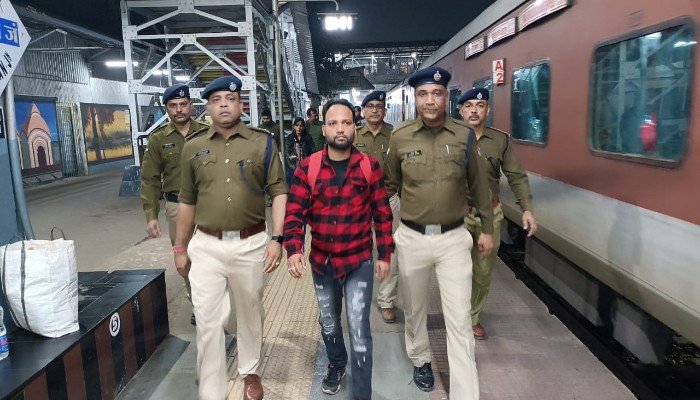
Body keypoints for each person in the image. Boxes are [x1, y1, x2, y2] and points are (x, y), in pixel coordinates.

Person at [173, 76, 287, 400]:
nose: (224, 104)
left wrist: (277, 239)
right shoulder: (193, 147)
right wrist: (180, 247)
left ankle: (250, 371)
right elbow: (186, 201)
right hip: (206, 245)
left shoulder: (263, 143)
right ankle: (212, 386)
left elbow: (279, 191)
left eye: (230, 98)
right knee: (207, 317)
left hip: (251, 243)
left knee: (250, 311)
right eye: (216, 100)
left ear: (241, 104)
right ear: (207, 108)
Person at [383, 67, 494, 398]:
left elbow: (479, 186)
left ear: (447, 97)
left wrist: (487, 229)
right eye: (423, 94)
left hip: (454, 239)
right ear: (415, 99)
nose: (430, 100)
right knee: (414, 309)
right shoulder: (400, 137)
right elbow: (390, 184)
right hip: (412, 237)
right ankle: (420, 360)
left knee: (458, 318)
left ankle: (465, 392)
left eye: (436, 93)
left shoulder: (464, 135)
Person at [284, 98, 393, 400]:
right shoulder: (308, 168)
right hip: (323, 262)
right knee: (329, 323)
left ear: (355, 126)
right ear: (323, 128)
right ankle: (336, 364)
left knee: (359, 328)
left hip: (359, 261)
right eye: (333, 123)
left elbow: (382, 214)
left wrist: (385, 254)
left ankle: (361, 393)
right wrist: (293, 248)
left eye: (346, 122)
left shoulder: (369, 166)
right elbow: (294, 213)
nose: (340, 129)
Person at [458, 87, 537, 340]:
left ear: (487, 110)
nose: (474, 111)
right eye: (468, 106)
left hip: (489, 215)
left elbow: (516, 176)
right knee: (455, 270)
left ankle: (472, 317)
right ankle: (456, 316)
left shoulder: (500, 141)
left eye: (479, 106)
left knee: (482, 271)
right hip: (456, 215)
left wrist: (526, 208)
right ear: (461, 111)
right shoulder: (450, 139)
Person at [140, 84, 208, 325]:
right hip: (176, 208)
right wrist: (151, 214)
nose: (179, 109)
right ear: (166, 109)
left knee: (212, 258)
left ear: (191, 105)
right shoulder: (158, 140)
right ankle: (198, 303)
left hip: (209, 206)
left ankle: (210, 304)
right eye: (173, 105)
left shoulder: (208, 133)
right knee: (185, 261)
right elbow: (149, 180)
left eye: (183, 104)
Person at [355, 90, 399, 324]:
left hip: (388, 199)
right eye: (370, 106)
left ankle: (386, 301)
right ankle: (357, 292)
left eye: (379, 106)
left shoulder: (395, 136)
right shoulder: (353, 135)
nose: (374, 110)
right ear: (363, 111)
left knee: (389, 250)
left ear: (385, 110)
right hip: (358, 203)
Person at [284, 117, 315, 184]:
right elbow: (287, 153)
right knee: (294, 185)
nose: (299, 128)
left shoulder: (308, 137)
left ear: (303, 127)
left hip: (305, 166)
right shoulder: (289, 138)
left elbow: (312, 151)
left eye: (301, 126)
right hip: (293, 166)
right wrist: (292, 160)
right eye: (297, 125)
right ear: (294, 127)